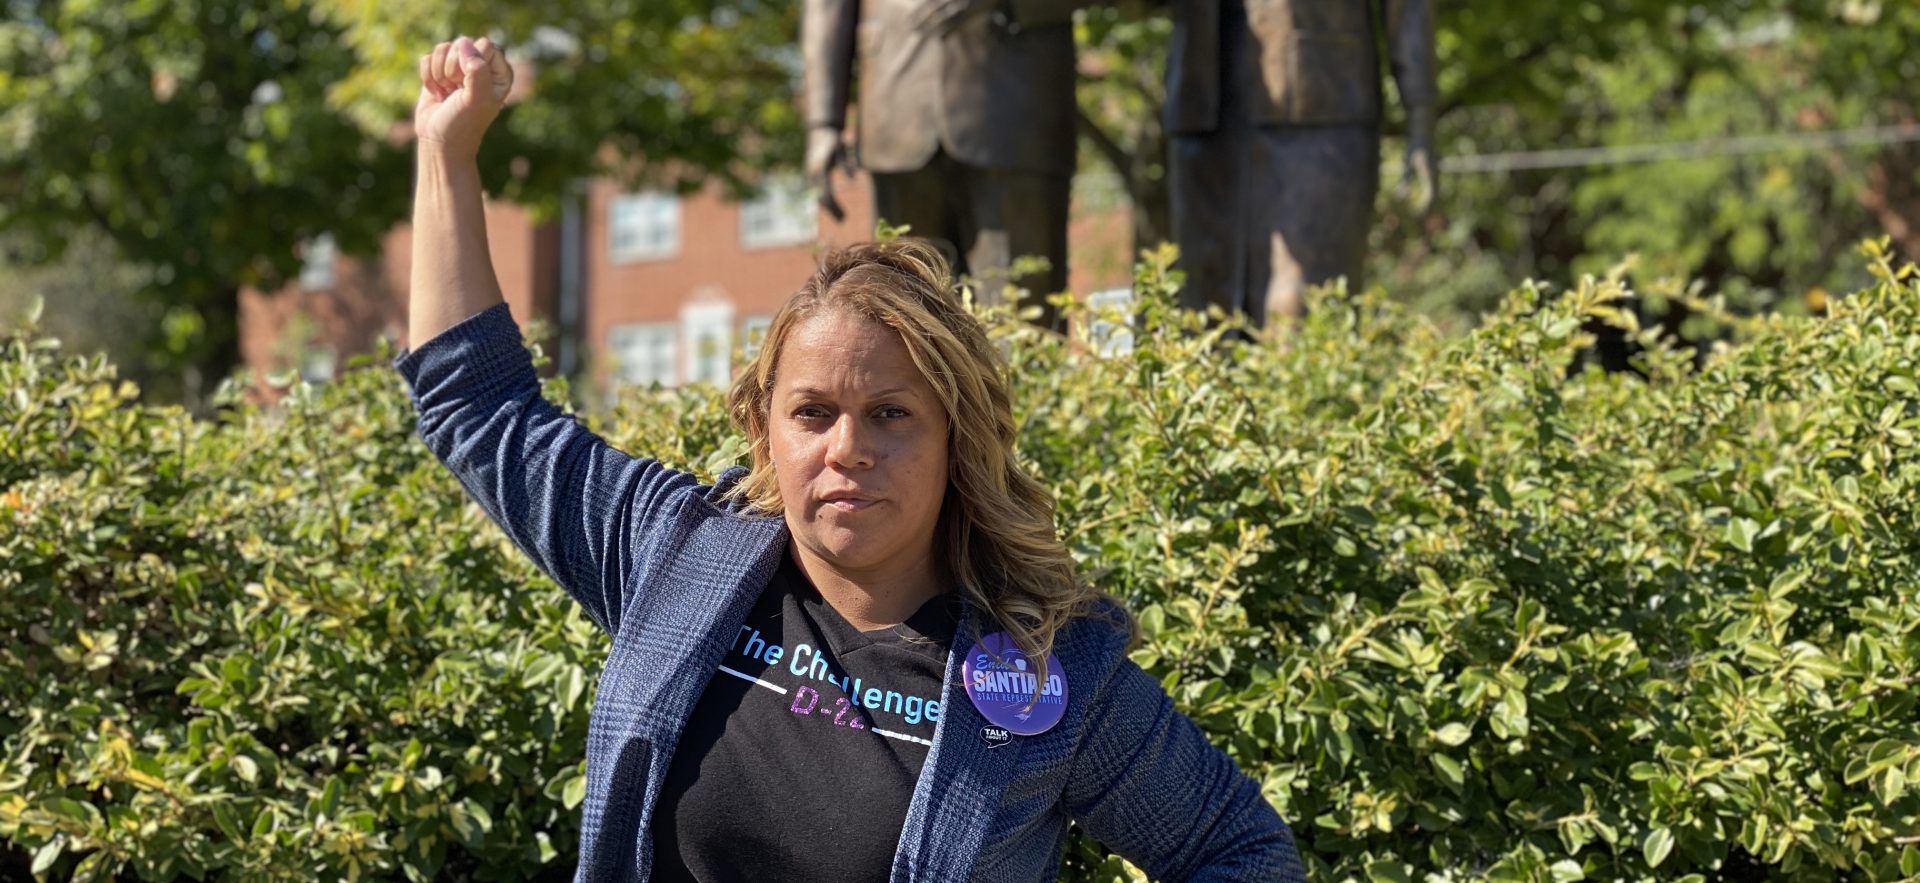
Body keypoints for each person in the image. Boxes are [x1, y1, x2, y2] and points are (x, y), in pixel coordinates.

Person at [395, 34, 1306, 882]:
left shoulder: (1048, 674)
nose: (848, 449)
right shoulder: (672, 557)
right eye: (812, 412)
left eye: (891, 414)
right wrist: (447, 152)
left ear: (957, 436)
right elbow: (479, 404)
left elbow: (1240, 849)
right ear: (765, 431)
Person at [802, 0, 1078, 331]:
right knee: (908, 317)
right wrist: (823, 122)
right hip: (895, 106)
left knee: (1023, 317)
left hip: (1015, 108)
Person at [1164, 0, 1437, 326]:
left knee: (1303, 308)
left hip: (1321, 99)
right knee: (1205, 318)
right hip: (1203, 110)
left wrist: (1420, 116)